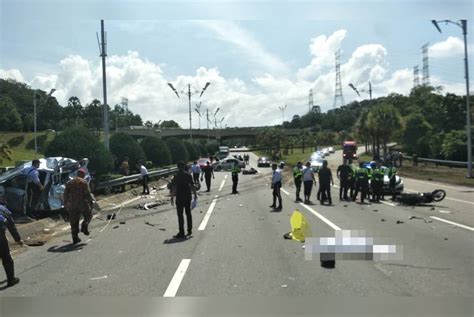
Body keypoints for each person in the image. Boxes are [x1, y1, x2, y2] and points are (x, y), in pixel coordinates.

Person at [63, 168, 94, 244]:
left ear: (77, 174)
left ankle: (75, 237)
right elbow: (87, 194)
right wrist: (91, 202)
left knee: (73, 221)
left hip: (72, 205)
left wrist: (66, 204)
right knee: (88, 215)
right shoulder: (83, 182)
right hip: (82, 203)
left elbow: (65, 194)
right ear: (83, 175)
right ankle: (84, 225)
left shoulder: (69, 182)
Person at [170, 161, 197, 238]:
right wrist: (195, 194)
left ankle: (181, 232)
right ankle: (189, 230)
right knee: (188, 213)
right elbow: (192, 186)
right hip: (187, 196)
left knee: (180, 215)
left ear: (178, 167)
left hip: (179, 197)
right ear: (184, 166)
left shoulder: (176, 176)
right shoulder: (188, 175)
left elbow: (174, 188)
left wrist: (172, 197)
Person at [0, 197, 23, 287]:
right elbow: (12, 227)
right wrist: (18, 240)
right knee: (6, 258)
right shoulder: (4, 210)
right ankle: (11, 280)